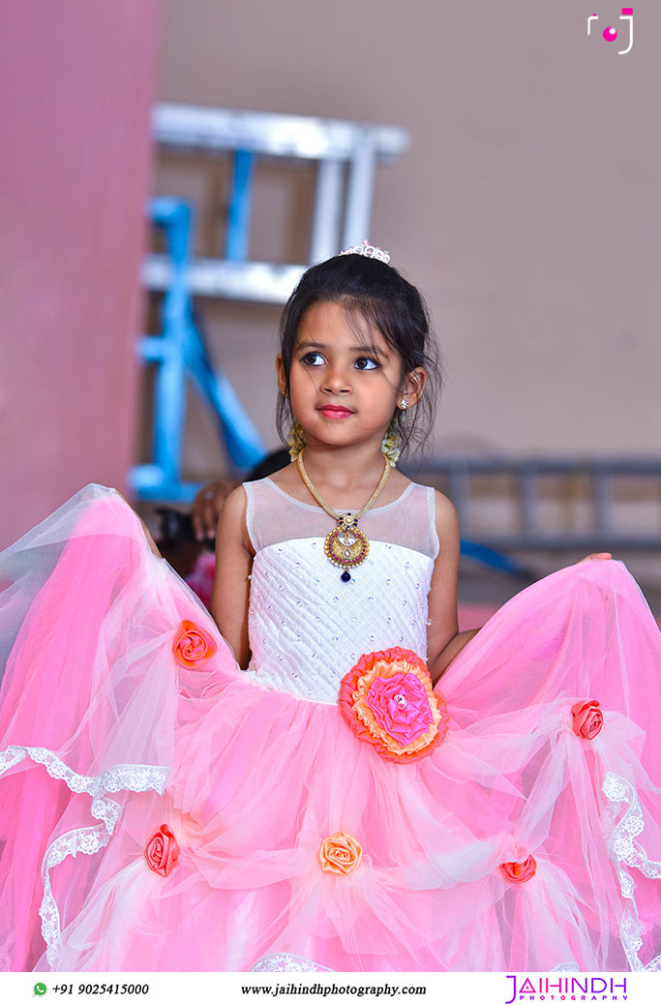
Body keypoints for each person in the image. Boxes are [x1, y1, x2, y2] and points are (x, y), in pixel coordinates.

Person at [1, 242, 660, 973]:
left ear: (408, 388)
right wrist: (139, 582)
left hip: (397, 780)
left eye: (365, 362)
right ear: (283, 372)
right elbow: (223, 653)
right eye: (312, 358)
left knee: (387, 950)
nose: (335, 381)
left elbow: (435, 657)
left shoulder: (428, 515)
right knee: (246, 940)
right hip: (263, 766)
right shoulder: (252, 506)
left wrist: (547, 612)